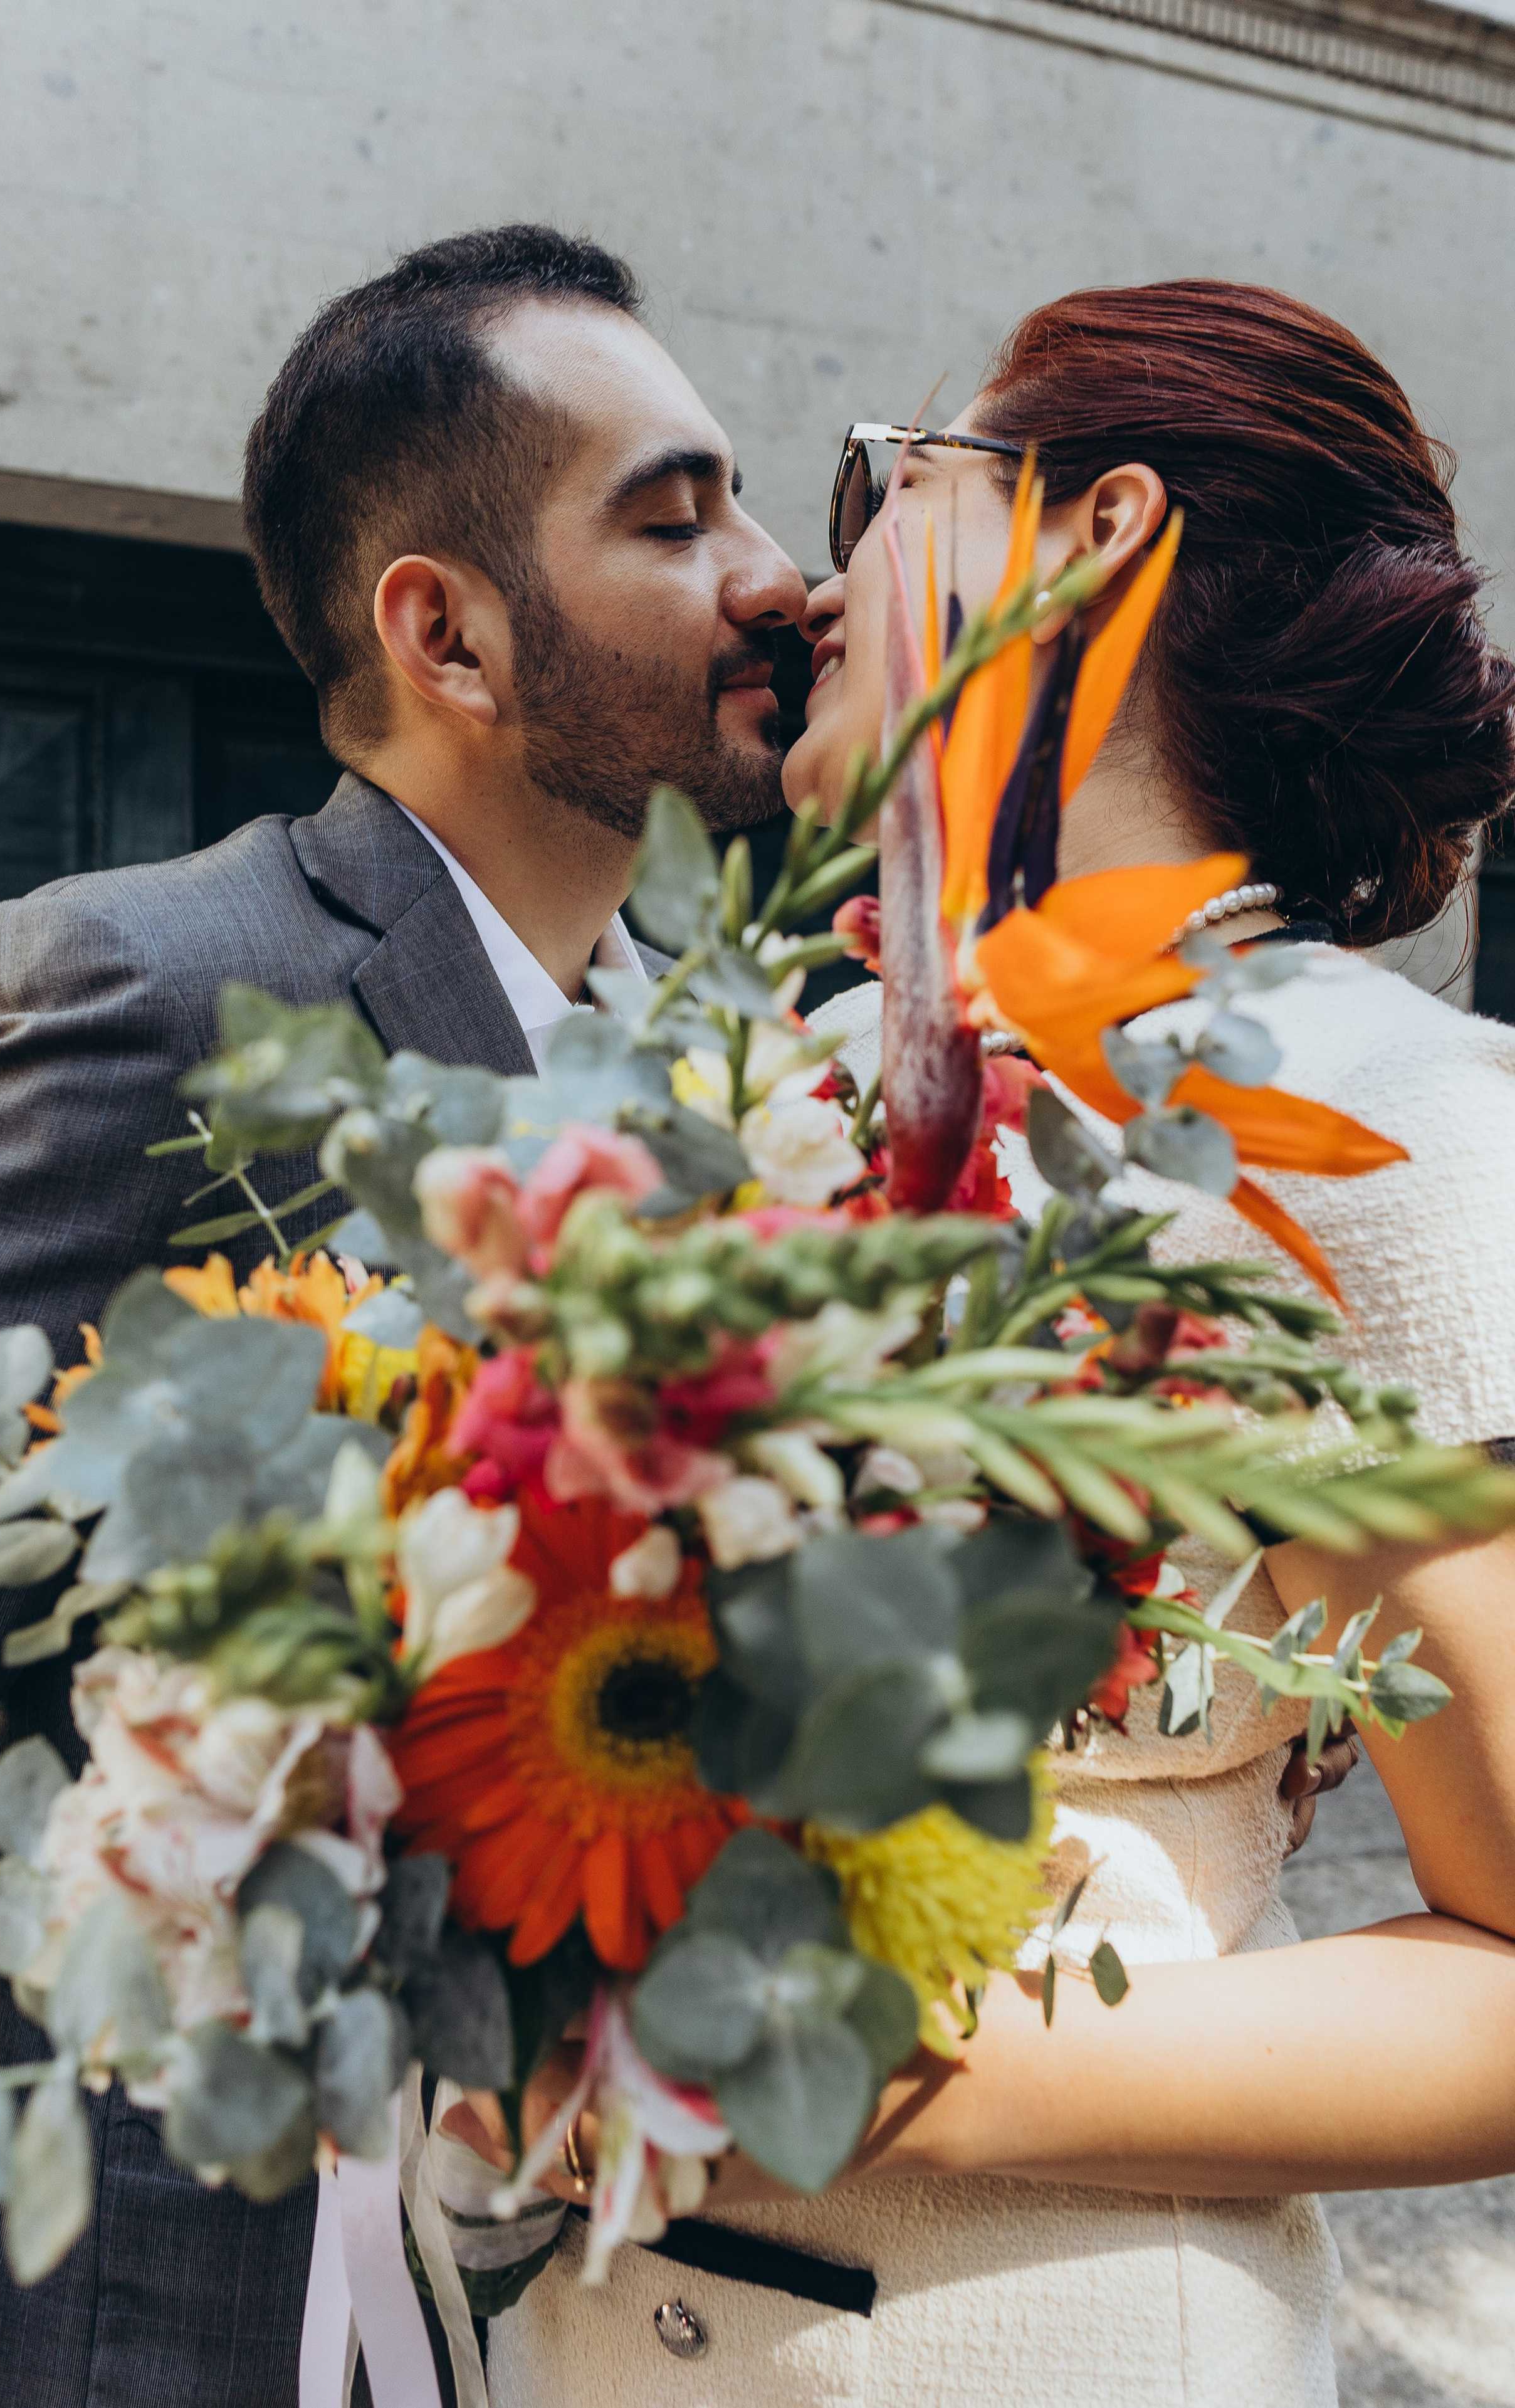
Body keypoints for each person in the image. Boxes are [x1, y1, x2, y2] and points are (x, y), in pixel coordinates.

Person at [485, 285, 1515, 2406]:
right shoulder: (761, 1074)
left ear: (1088, 534)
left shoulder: (1381, 1130)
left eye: (884, 480)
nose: (815, 574)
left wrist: (900, 2059)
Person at [0, 223, 805, 2408]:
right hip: (147, 2314)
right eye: (677, 519)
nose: (776, 575)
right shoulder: (138, 985)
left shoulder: (704, 1087)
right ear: (451, 631)